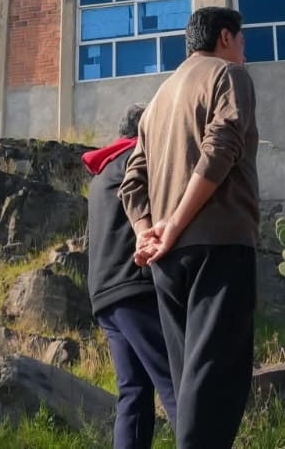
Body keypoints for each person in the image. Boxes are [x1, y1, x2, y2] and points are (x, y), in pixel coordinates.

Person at [119, 6, 260, 449]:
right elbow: (223, 147)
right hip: (219, 243)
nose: (242, 51)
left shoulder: (157, 99)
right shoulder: (227, 75)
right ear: (224, 37)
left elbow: (131, 179)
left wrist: (148, 231)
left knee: (189, 384)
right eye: (240, 41)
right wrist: (176, 223)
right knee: (218, 379)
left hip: (167, 261)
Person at [83, 103, 178, 449]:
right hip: (136, 290)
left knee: (134, 393)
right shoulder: (135, 163)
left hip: (105, 298)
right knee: (176, 385)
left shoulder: (100, 176)